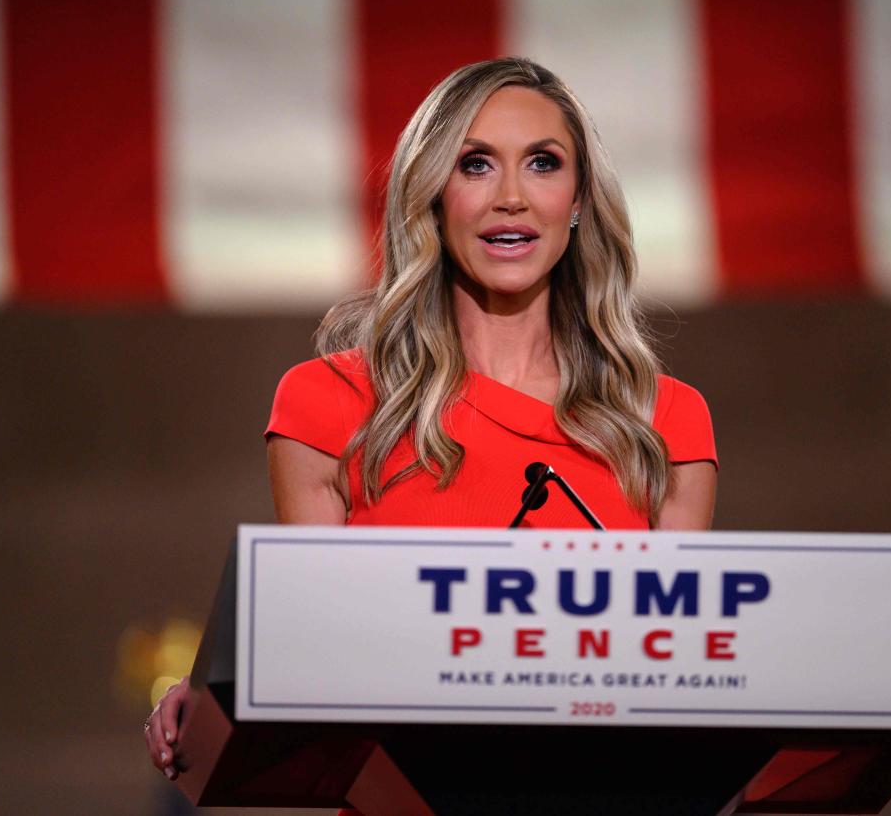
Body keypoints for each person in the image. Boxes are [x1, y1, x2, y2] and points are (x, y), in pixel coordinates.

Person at [144, 56, 717, 786]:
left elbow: (676, 680)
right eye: (475, 165)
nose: (511, 197)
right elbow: (317, 655)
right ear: (432, 196)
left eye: (542, 163)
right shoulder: (327, 403)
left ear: (578, 200)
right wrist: (213, 702)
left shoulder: (664, 420)